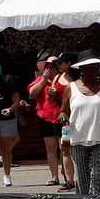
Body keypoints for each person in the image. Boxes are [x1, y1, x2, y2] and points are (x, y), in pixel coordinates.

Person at [59, 52, 100, 199]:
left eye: (97, 65)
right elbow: (64, 110)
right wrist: (63, 117)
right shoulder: (71, 88)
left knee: (99, 177)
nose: (95, 69)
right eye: (91, 66)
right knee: (83, 180)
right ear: (82, 68)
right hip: (77, 140)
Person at [27, 54, 68, 188]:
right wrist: (44, 80)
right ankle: (54, 177)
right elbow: (32, 93)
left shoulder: (63, 80)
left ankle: (66, 173)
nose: (50, 69)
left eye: (53, 66)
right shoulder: (40, 79)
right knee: (51, 148)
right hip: (44, 117)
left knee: (63, 147)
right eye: (47, 66)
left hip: (61, 117)